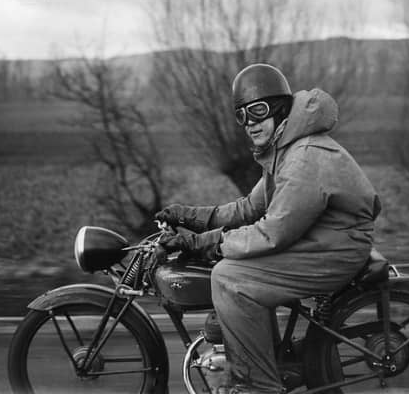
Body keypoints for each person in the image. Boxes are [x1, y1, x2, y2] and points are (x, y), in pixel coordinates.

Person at [157, 63, 381, 393]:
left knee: (230, 278)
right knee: (233, 265)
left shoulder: (304, 157)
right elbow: (249, 208)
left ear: (280, 108)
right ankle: (268, 358)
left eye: (258, 111)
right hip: (319, 241)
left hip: (335, 250)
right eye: (241, 115)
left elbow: (272, 233)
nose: (250, 123)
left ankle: (258, 386)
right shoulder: (285, 149)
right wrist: (188, 216)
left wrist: (203, 243)